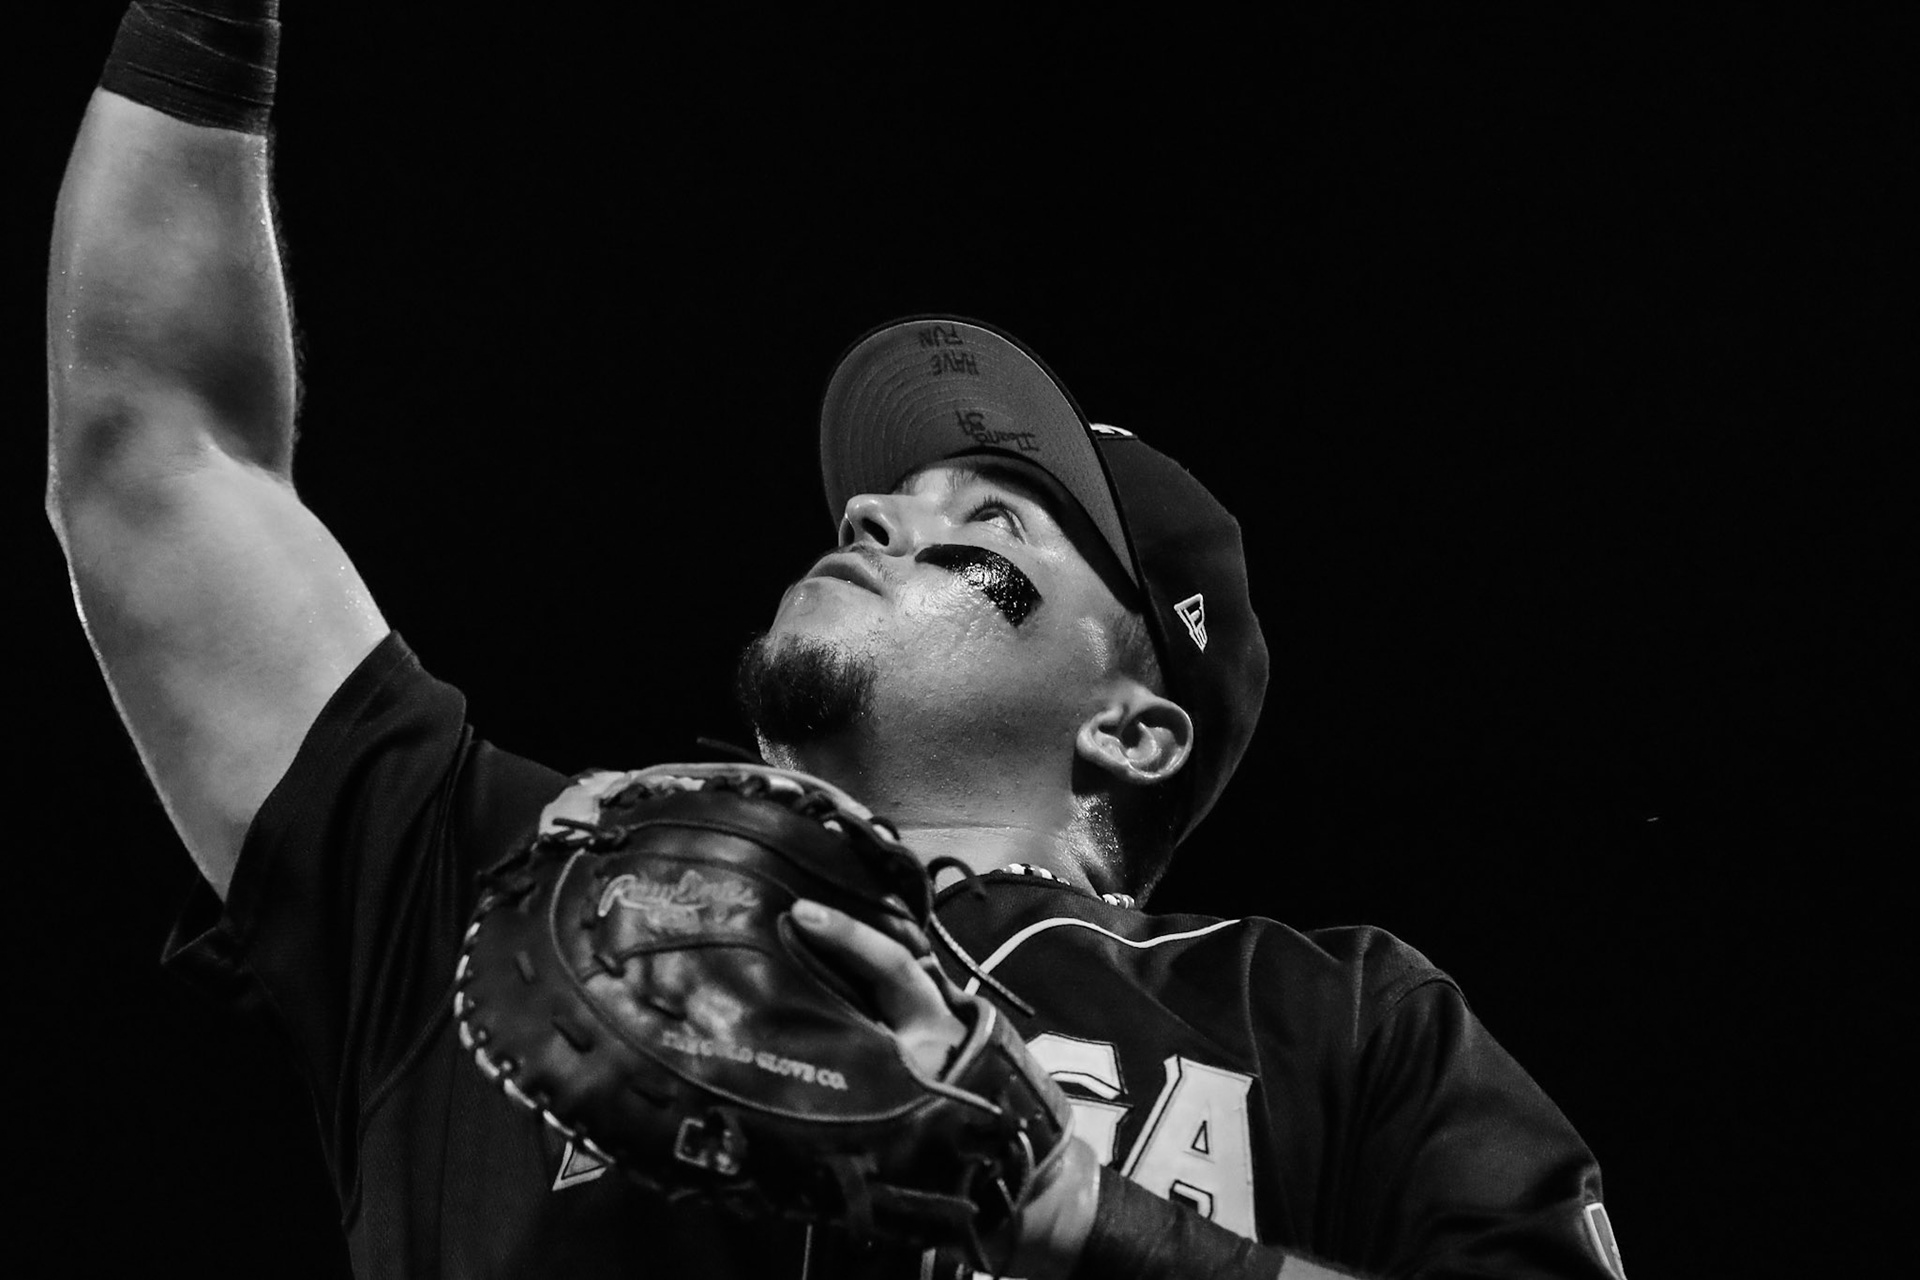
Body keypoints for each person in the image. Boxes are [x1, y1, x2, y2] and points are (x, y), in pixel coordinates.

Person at [46, 5, 1627, 1278]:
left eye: (991, 525)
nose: (877, 512)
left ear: (1133, 728)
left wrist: (1088, 1225)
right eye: (892, 493)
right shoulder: (497, 881)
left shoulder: (1329, 1024)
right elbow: (154, 455)